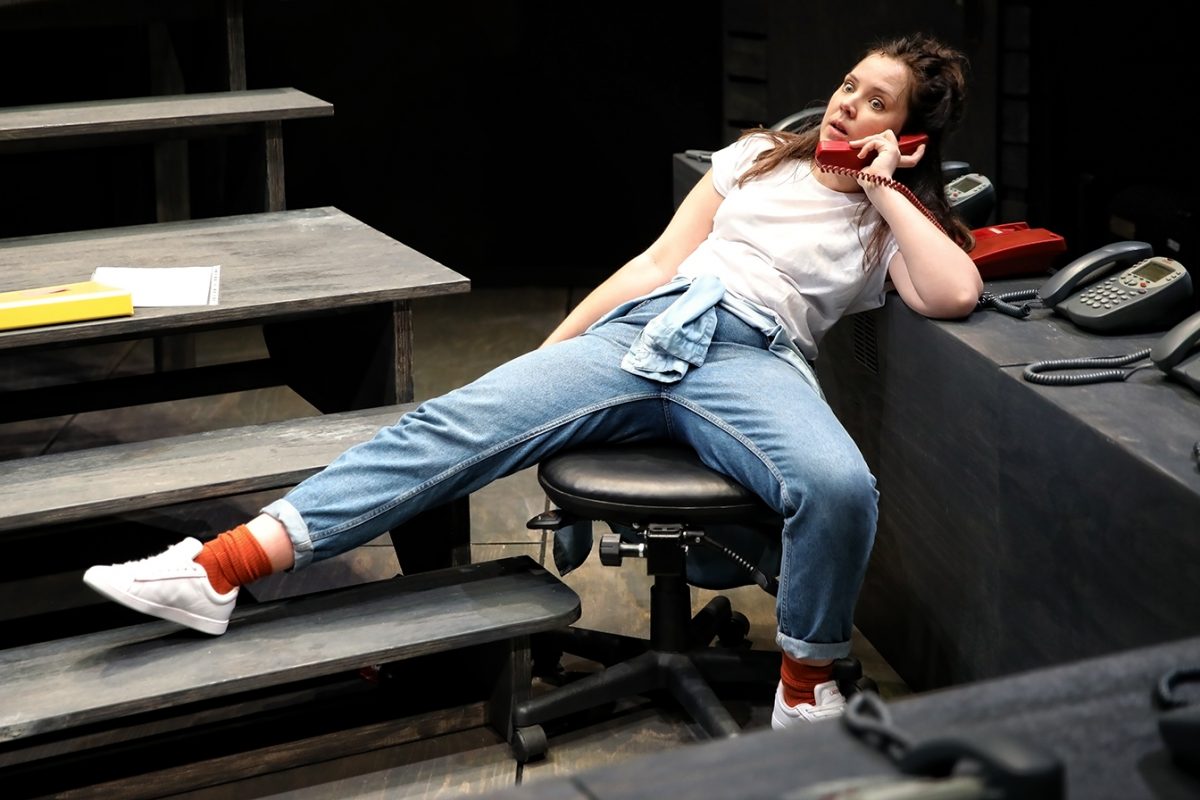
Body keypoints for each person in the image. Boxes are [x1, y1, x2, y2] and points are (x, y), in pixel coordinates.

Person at [83, 32, 981, 730]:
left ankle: (805, 683)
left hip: (755, 355)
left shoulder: (894, 220)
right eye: (849, 86)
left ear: (908, 133)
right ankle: (218, 571)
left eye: (876, 102)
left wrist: (884, 188)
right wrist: (555, 349)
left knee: (838, 485)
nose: (847, 104)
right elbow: (656, 261)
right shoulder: (752, 156)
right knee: (446, 427)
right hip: (649, 331)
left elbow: (954, 292)